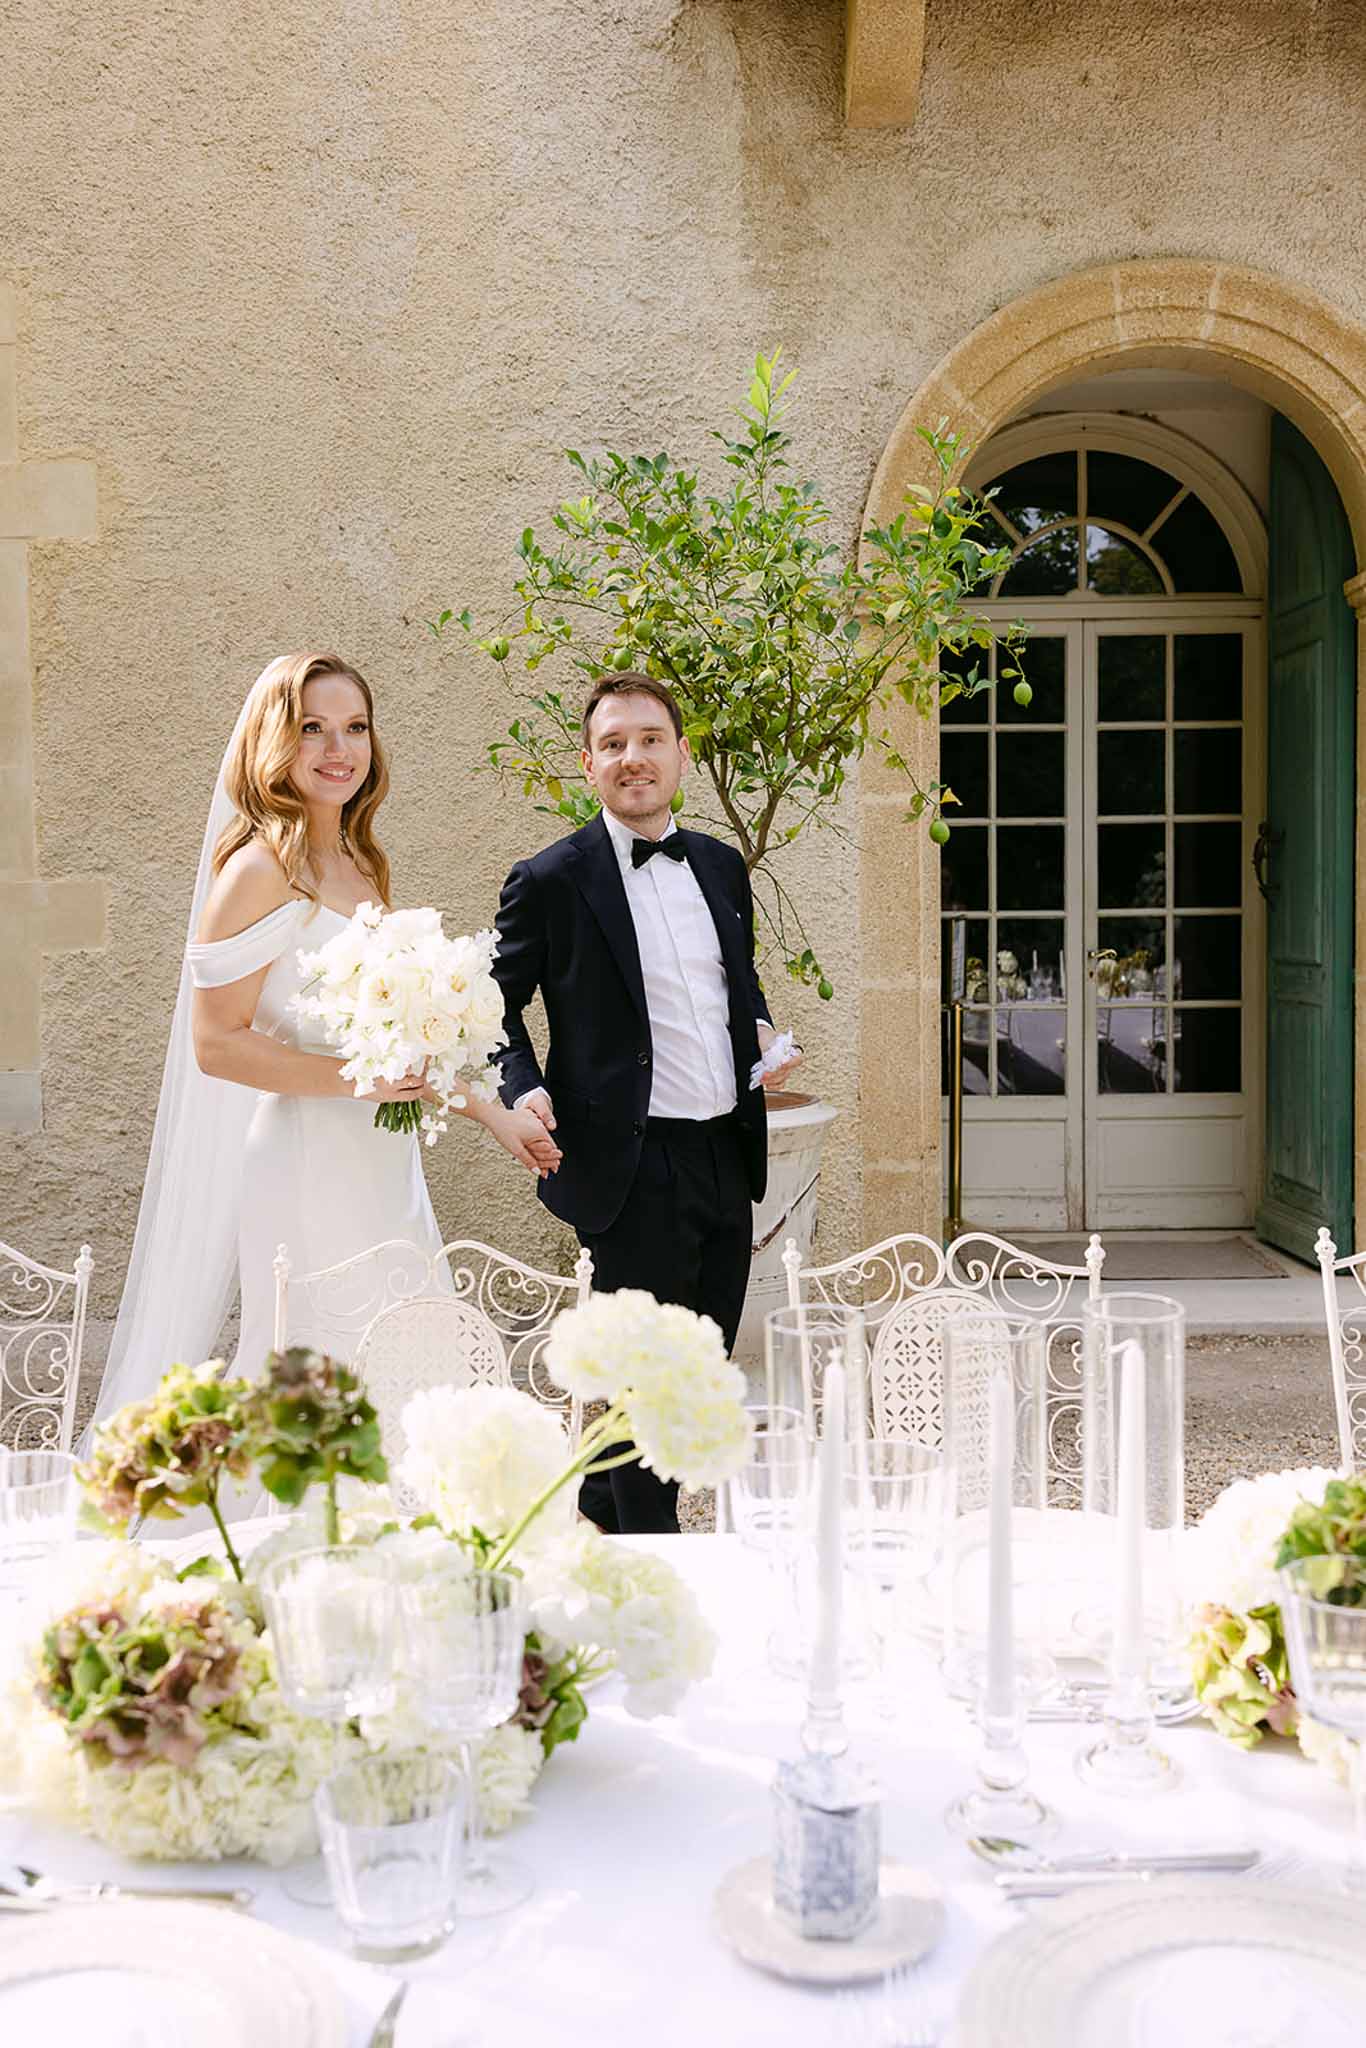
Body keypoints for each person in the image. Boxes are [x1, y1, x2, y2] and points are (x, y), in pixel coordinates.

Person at [96, 652, 560, 1422]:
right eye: (312, 728)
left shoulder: (359, 862)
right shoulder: (255, 871)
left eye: (355, 728)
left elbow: (403, 1045)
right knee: (329, 1376)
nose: (338, 749)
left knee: (409, 1355)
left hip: (383, 1162)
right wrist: (359, 1083)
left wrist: (496, 1116)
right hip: (305, 1163)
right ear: (274, 742)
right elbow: (217, 1044)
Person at [491, 672, 802, 1534]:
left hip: (724, 1154)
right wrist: (525, 1086)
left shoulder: (719, 866)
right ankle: (657, 1574)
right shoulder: (549, 878)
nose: (635, 758)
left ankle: (586, 1520)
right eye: (615, 743)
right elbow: (490, 1005)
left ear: (681, 754)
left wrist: (765, 1038)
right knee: (650, 1390)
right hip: (629, 1167)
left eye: (651, 739)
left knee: (698, 1367)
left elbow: (730, 989)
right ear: (588, 764)